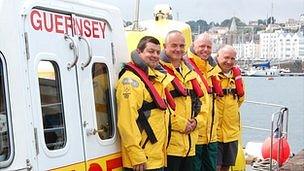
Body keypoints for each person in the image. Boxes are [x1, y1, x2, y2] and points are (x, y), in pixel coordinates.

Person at [116, 36, 174, 171]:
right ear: (139, 52)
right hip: (142, 161)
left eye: (157, 52)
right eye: (150, 51)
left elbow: (162, 114)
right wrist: (136, 155)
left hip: (156, 157)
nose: (155, 55)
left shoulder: (154, 79)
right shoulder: (131, 82)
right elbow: (126, 122)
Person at [160, 30, 209, 171]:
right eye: (174, 45)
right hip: (169, 147)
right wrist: (182, 124)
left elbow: (205, 103)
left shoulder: (191, 74)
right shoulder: (159, 73)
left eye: (181, 46)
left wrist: (197, 122)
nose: (178, 49)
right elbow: (160, 109)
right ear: (165, 46)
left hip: (190, 146)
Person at [186, 33, 221, 171]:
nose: (205, 50)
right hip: (195, 136)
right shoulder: (186, 67)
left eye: (208, 47)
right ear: (194, 46)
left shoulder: (212, 69)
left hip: (211, 136)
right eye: (201, 46)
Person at [215, 45, 245, 171]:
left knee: (226, 166)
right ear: (218, 57)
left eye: (232, 58)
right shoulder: (211, 75)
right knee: (215, 166)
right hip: (214, 133)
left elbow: (240, 99)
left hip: (231, 132)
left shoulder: (236, 77)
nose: (229, 61)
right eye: (226, 58)